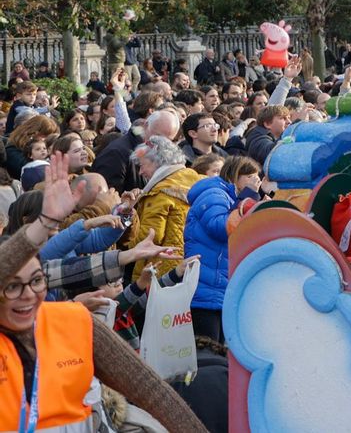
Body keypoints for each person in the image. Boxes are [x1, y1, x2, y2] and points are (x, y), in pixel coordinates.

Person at [0, 154, 207, 432]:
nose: (27, 294)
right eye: (12, 286)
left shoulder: (74, 323)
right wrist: (45, 224)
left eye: (37, 281)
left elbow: (153, 393)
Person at [184, 156, 251, 344]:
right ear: (237, 176)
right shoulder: (215, 194)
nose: (256, 181)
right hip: (207, 288)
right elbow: (220, 227)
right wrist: (250, 201)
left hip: (218, 286)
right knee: (209, 352)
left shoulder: (228, 196)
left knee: (221, 353)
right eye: (251, 176)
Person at [126, 137, 203, 279]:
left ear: (158, 161)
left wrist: (123, 250)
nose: (141, 172)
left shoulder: (159, 193)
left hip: (163, 269)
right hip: (196, 262)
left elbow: (150, 238)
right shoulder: (199, 181)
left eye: (142, 165)